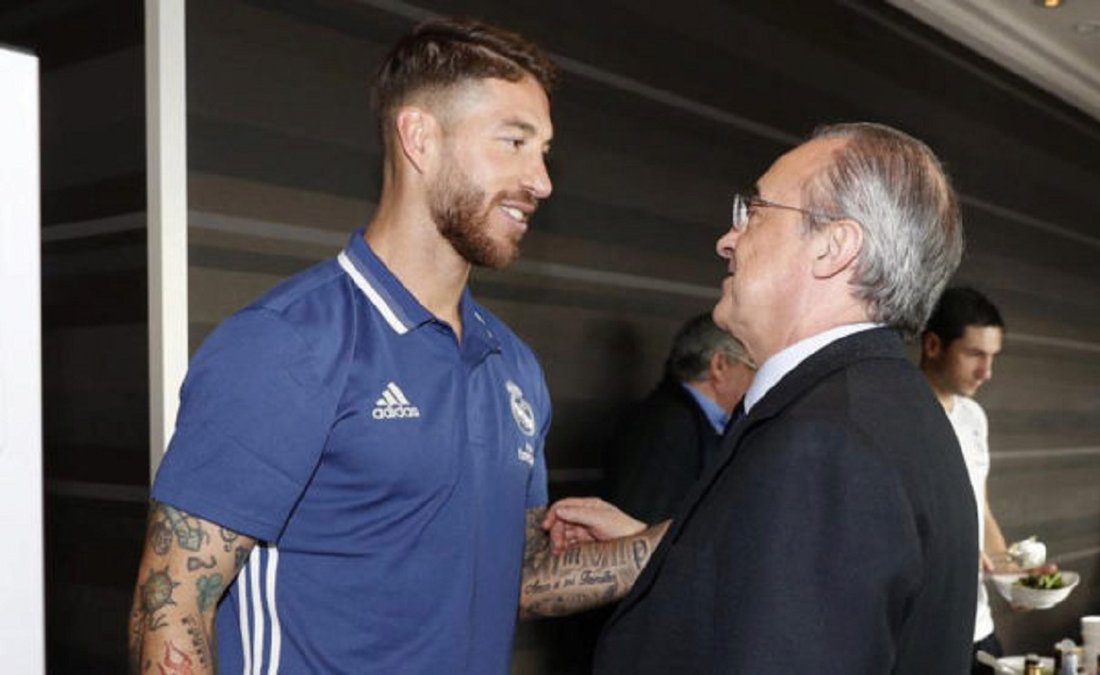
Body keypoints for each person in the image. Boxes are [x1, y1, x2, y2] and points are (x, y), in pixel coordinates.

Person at [128, 19, 665, 674]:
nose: (542, 180)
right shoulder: (288, 343)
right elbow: (171, 605)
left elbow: (515, 579)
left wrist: (671, 542)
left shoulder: (515, 367)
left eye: (544, 150)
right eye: (514, 142)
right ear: (420, 139)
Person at [556, 122, 979, 672]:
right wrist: (673, 550)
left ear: (833, 247)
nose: (727, 239)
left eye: (755, 212)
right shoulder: (885, 409)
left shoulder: (825, 441)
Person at [921, 286, 1026, 672]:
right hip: (926, 635)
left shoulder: (973, 417)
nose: (987, 372)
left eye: (993, 356)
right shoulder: (900, 416)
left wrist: (1016, 580)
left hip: (979, 627)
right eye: (975, 355)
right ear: (933, 345)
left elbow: (980, 510)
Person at [605, 313, 755, 523]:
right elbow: (644, 523)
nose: (757, 379)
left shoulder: (686, 420)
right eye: (753, 367)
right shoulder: (670, 427)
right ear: (719, 365)